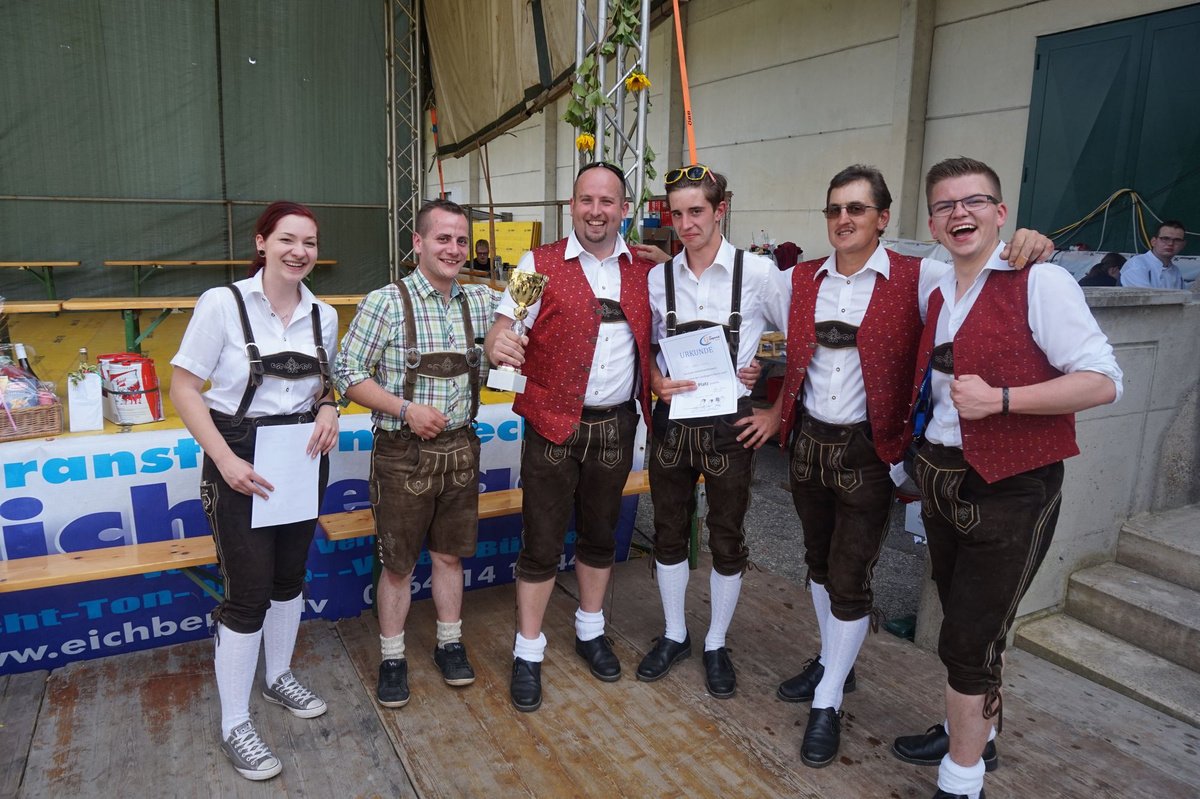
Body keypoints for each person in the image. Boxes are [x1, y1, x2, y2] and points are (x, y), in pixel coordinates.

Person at [774, 165, 1053, 768]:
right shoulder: (797, 278)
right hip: (808, 444)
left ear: (883, 218)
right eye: (834, 209)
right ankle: (834, 663)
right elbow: (750, 321)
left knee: (851, 575)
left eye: (856, 209)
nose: (843, 219)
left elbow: (980, 271)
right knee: (818, 564)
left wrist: (1028, 243)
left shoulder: (921, 275)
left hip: (870, 452)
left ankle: (828, 700)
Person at [893, 157, 1122, 799]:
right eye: (945, 206)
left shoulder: (1041, 281)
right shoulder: (938, 285)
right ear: (932, 225)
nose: (959, 213)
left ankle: (961, 779)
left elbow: (1104, 381)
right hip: (942, 480)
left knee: (969, 640)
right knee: (968, 625)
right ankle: (974, 735)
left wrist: (1002, 400)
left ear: (1000, 212)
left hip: (1012, 486)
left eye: (974, 201)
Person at [170, 201, 340, 781]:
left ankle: (279, 676)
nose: (299, 252)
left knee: (289, 579)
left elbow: (323, 385)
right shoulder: (222, 303)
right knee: (247, 594)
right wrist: (224, 458)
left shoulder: (323, 314)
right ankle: (235, 723)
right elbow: (184, 387)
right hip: (237, 455)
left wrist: (329, 407)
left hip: (300, 456)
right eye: (287, 239)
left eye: (309, 243)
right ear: (261, 242)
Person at [484, 161, 656, 712]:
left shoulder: (646, 272)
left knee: (601, 536)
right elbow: (505, 322)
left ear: (624, 209)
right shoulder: (537, 263)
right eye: (586, 200)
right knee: (540, 541)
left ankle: (590, 629)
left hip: (616, 425)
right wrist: (499, 342)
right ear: (572, 205)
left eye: (607, 202)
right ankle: (528, 650)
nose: (596, 211)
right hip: (552, 425)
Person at [333, 199, 498, 710]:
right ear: (418, 242)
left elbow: (529, 309)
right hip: (402, 454)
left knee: (449, 556)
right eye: (443, 238)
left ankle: (450, 643)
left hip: (462, 450)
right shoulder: (385, 302)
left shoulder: (481, 302)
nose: (454, 249)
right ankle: (392, 657)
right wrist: (405, 409)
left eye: (461, 240)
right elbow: (346, 372)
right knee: (399, 566)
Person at [635, 164, 790, 700]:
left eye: (697, 211)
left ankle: (717, 642)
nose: (686, 224)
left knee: (727, 535)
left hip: (731, 427)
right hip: (673, 423)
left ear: (720, 210)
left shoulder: (761, 273)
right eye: (677, 214)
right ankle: (675, 633)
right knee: (668, 531)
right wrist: (654, 378)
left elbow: (798, 337)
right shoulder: (658, 279)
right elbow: (643, 347)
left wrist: (771, 397)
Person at [1119, 220, 1187, 289]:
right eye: (1165, 238)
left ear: (1183, 245)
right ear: (1153, 242)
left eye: (1177, 240)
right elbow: (1145, 295)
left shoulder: (1175, 271)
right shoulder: (1137, 265)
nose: (1170, 243)